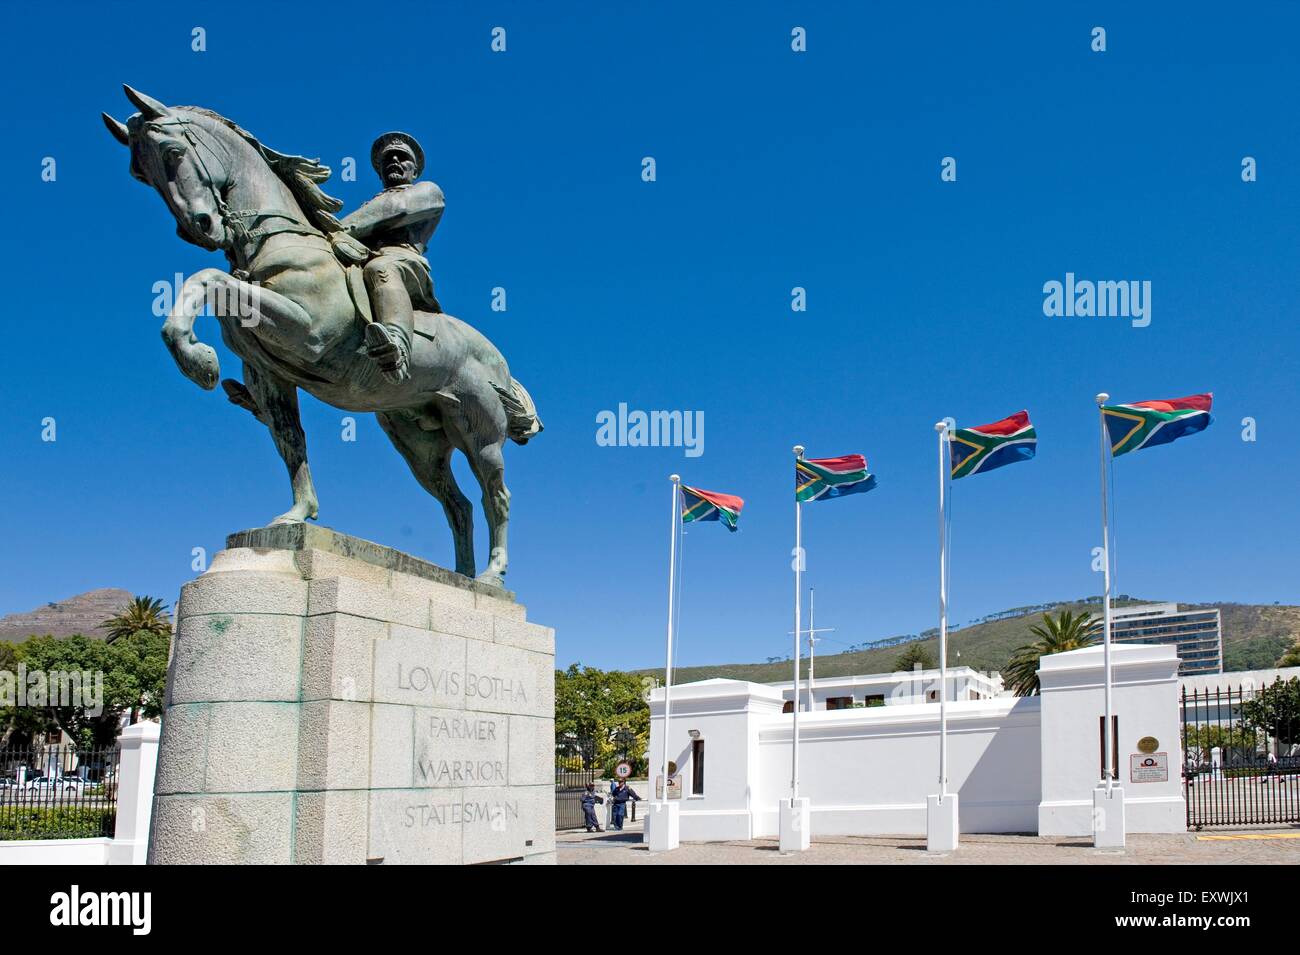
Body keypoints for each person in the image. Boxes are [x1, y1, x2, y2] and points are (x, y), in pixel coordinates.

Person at [341, 132, 445, 384]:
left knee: (380, 268)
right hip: (360, 260)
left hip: (401, 260)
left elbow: (400, 209)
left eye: (402, 157)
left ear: (415, 169)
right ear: (379, 172)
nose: (395, 161)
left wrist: (338, 229)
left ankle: (396, 348)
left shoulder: (427, 191)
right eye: (388, 158)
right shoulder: (370, 203)